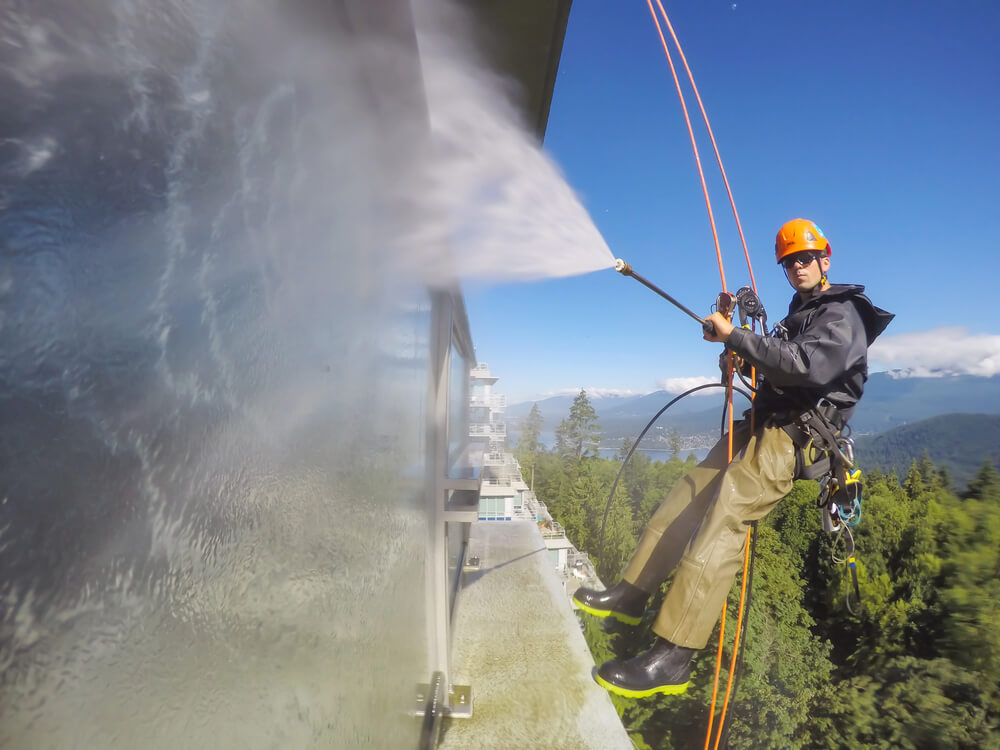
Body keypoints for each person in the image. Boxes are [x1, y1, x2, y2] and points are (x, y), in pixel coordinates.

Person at [573, 218, 894, 698]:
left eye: (805, 259)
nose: (797, 268)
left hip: (790, 438)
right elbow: (765, 362)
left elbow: (806, 365)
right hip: (762, 424)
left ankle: (674, 657)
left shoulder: (843, 315)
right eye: (789, 262)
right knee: (691, 492)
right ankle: (631, 594)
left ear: (825, 259)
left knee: (725, 518)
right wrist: (731, 347)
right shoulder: (798, 314)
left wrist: (737, 338)